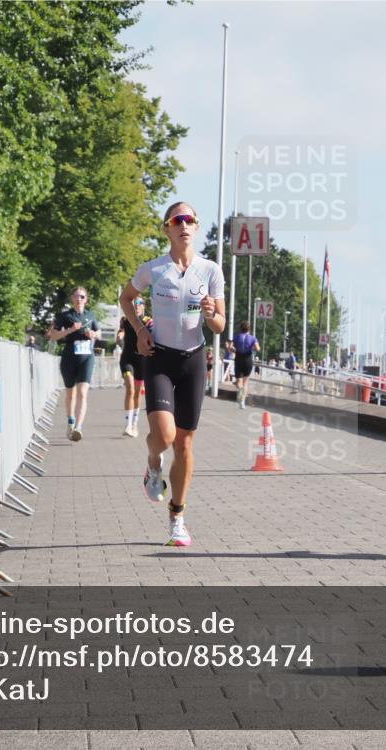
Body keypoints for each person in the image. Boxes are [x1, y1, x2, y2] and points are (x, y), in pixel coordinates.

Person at [120, 201, 225, 547]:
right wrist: (139, 330)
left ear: (196, 227)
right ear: (167, 228)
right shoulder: (154, 269)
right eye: (177, 220)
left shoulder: (210, 271)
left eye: (190, 220)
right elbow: (127, 297)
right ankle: (153, 464)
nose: (184, 225)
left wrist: (211, 314)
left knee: (185, 443)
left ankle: (177, 517)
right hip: (160, 358)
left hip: (193, 360)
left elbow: (220, 325)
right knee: (164, 437)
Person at [47, 286, 99, 441]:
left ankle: (78, 427)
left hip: (87, 357)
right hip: (70, 357)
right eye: (76, 296)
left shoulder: (91, 315)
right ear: (72, 299)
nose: (79, 299)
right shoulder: (65, 316)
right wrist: (69, 330)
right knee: (71, 392)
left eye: (82, 297)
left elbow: (98, 332)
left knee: (83, 392)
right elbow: (54, 336)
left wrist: (93, 334)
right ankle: (70, 421)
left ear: (86, 299)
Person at [117, 297, 152, 437]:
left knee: (138, 392)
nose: (136, 306)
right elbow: (121, 331)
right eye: (133, 303)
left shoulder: (148, 321)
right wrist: (119, 336)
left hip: (142, 360)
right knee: (130, 389)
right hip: (127, 359)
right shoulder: (125, 320)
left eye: (139, 304)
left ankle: (134, 424)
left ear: (143, 306)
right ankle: (127, 425)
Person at [232, 321, 260, 409]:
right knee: (246, 381)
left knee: (239, 382)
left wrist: (235, 350)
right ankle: (243, 401)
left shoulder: (236, 337)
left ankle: (240, 390)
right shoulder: (252, 338)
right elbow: (258, 348)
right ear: (249, 328)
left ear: (241, 328)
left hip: (239, 359)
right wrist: (252, 348)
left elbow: (230, 347)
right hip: (248, 359)